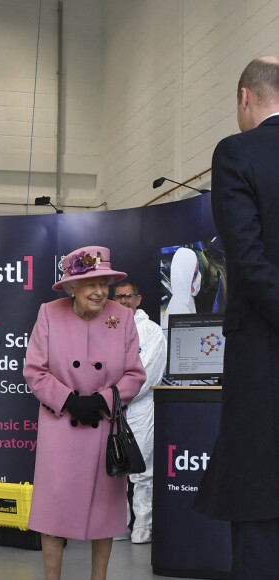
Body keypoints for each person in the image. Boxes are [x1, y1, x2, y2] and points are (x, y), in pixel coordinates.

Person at [193, 57, 279, 579]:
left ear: (245, 97)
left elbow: (246, 261)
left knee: (259, 507)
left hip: (262, 363)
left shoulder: (236, 153)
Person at [23, 246, 146, 580]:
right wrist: (69, 401)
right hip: (61, 427)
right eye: (89, 283)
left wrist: (105, 401)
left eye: (103, 282)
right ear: (70, 287)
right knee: (53, 515)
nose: (98, 291)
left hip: (105, 430)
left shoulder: (121, 318)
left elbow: (135, 374)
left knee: (104, 515)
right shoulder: (50, 313)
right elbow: (35, 371)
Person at [113, 279, 166, 544]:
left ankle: (143, 526)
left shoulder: (152, 331)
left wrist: (117, 396)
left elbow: (146, 375)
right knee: (116, 470)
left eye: (128, 297)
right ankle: (117, 525)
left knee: (143, 471)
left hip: (140, 408)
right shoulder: (109, 326)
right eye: (119, 297)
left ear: (138, 299)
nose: (123, 301)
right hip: (111, 411)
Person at [162, 247, 201, 329]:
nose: (198, 277)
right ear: (187, 278)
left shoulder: (184, 301)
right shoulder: (181, 312)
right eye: (196, 273)